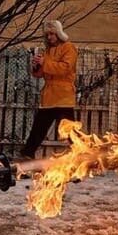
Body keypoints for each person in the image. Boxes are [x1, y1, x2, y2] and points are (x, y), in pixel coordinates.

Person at [18, 19, 78, 160]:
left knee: (69, 130)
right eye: (47, 34)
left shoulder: (69, 48)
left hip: (63, 95)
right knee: (39, 127)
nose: (50, 37)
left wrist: (45, 63)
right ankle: (28, 153)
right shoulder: (47, 51)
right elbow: (39, 74)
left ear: (59, 33)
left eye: (52, 34)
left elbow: (65, 68)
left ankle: (81, 153)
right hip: (50, 95)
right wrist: (37, 66)